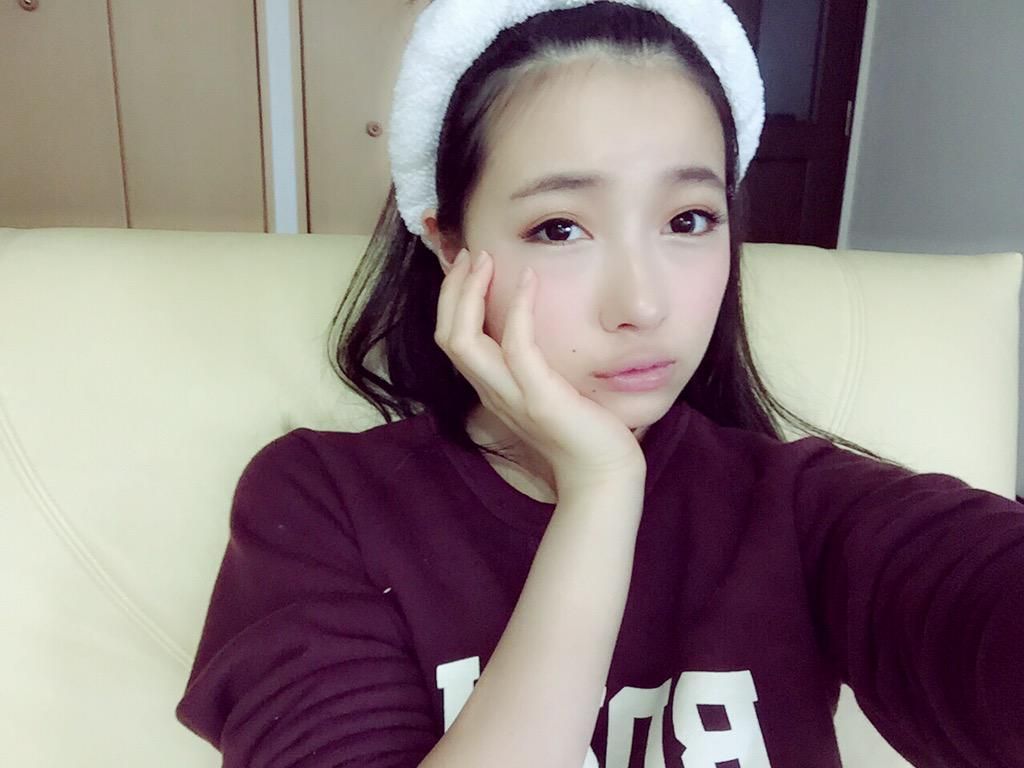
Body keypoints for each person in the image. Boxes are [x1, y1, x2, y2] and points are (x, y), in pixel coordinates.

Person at [176, 1, 1024, 766]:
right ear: (448, 245)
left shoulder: (802, 510)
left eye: (689, 219)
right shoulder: (323, 504)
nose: (644, 304)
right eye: (559, 227)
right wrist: (602, 489)